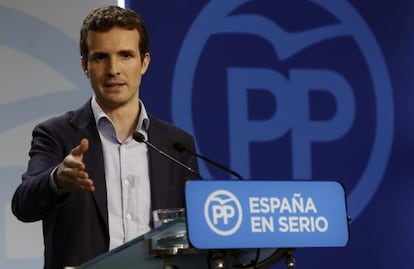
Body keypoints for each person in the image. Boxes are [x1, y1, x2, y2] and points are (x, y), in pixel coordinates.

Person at [11, 5, 199, 269]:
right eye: (100, 57)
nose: (113, 69)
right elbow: (23, 204)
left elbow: (199, 228)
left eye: (125, 55)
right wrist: (57, 179)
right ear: (84, 65)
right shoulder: (55, 134)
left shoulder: (177, 144)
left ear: (144, 62)